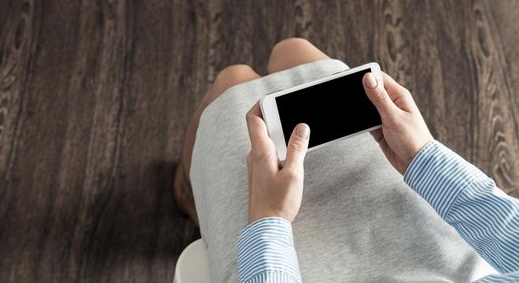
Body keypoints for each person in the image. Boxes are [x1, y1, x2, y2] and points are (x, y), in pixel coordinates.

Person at [174, 38, 518, 282]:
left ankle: (191, 196)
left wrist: (268, 219)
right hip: (438, 254)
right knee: (294, 51)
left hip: (285, 265)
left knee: (231, 82)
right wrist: (422, 158)